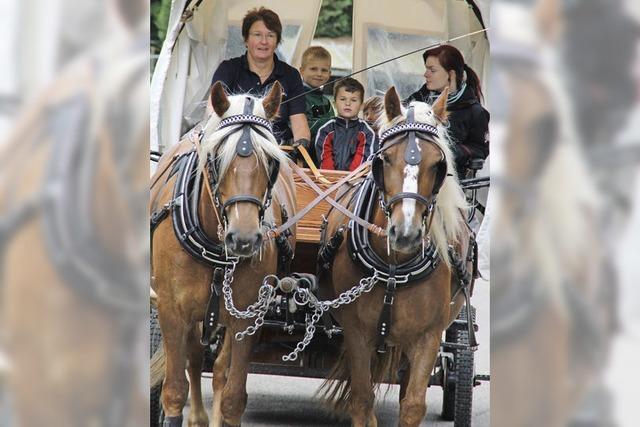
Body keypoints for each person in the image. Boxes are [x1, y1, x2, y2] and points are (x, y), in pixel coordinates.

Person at [209, 7, 310, 148]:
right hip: (232, 151)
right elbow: (212, 112)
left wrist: (302, 144)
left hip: (277, 151)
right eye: (257, 35)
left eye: (270, 35)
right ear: (246, 39)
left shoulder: (291, 75)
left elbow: (299, 124)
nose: (264, 41)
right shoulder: (228, 69)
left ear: (277, 41)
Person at [405, 44, 489, 176]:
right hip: (411, 173)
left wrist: (450, 151)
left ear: (451, 74)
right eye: (426, 69)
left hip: (450, 178)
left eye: (432, 70)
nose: (425, 74)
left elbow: (480, 149)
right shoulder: (416, 101)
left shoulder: (474, 111)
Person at [315, 78, 375, 171]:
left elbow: (362, 163)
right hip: (328, 182)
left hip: (356, 182)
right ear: (334, 104)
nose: (347, 103)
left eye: (354, 100)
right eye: (343, 99)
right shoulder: (325, 130)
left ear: (361, 106)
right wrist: (332, 181)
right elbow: (325, 161)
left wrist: (348, 181)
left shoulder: (367, 132)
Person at [299, 46, 334, 164]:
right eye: (313, 69)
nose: (319, 74)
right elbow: (299, 127)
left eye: (324, 70)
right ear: (301, 71)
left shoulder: (326, 101)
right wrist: (329, 122)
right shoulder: (297, 98)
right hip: (303, 158)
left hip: (326, 157)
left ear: (330, 73)